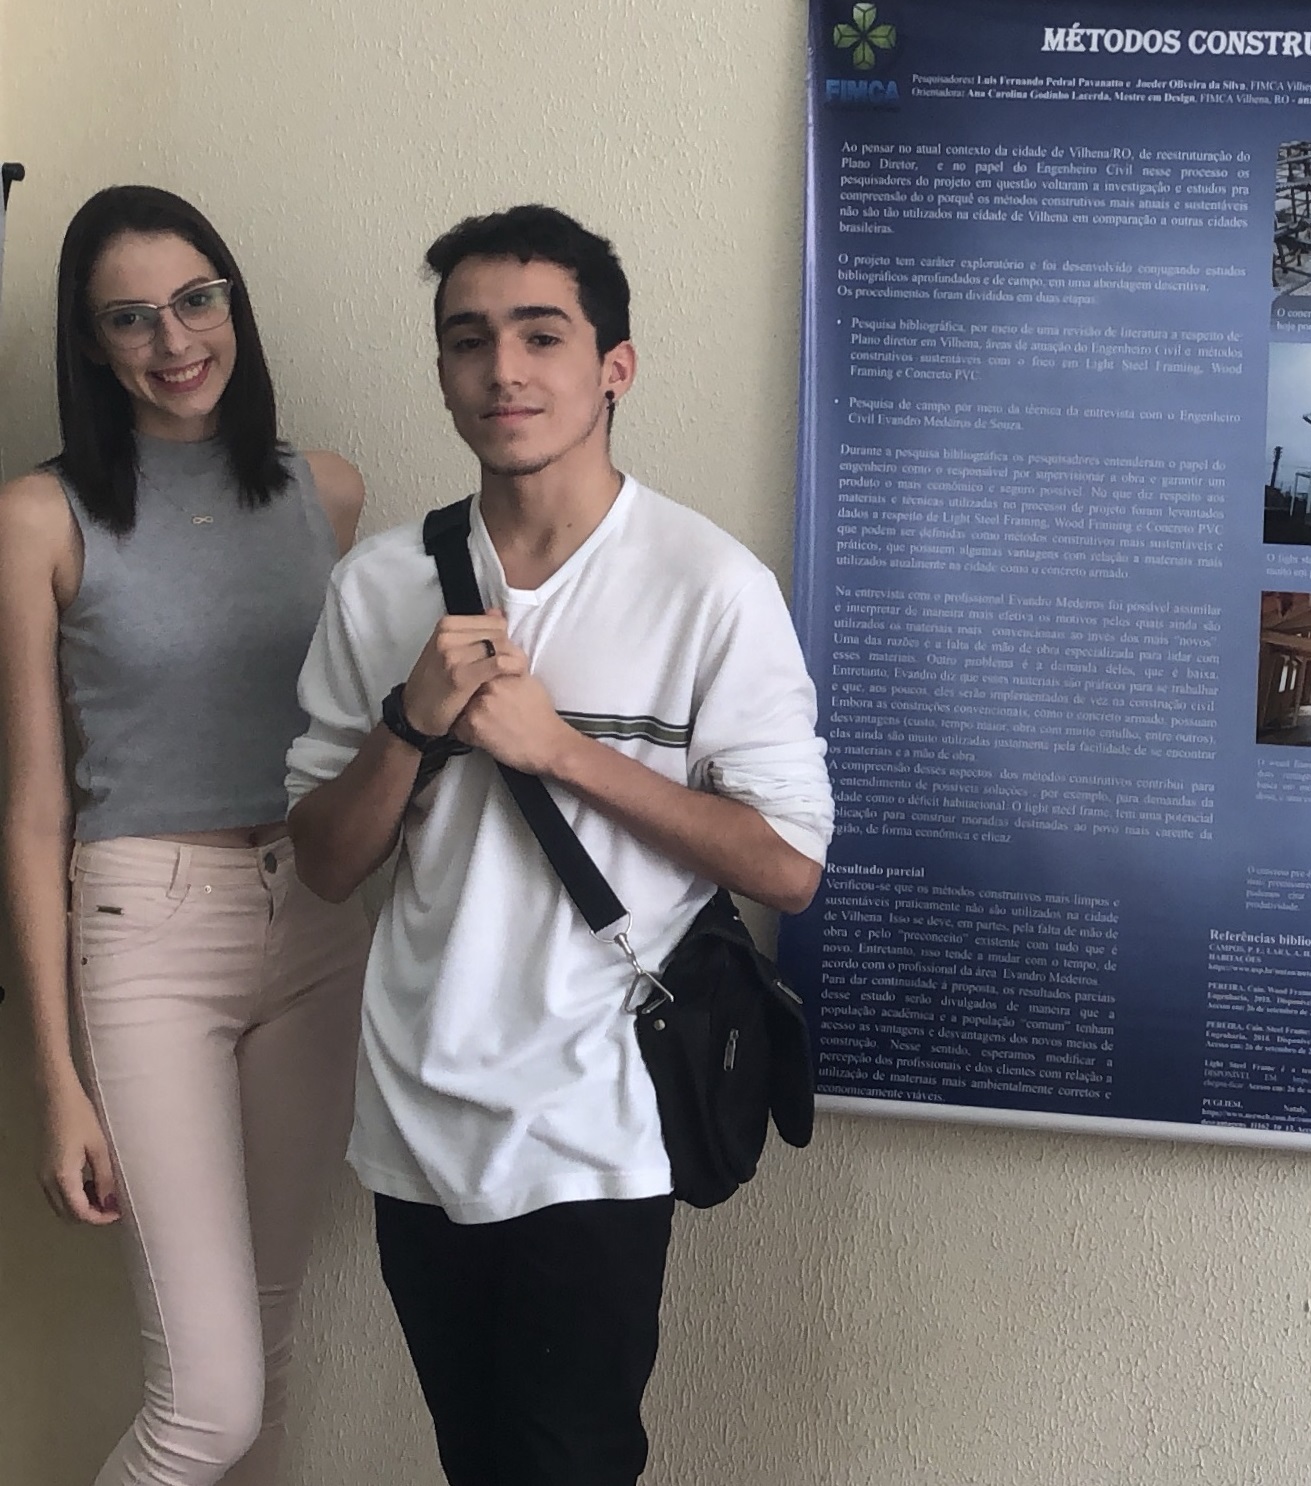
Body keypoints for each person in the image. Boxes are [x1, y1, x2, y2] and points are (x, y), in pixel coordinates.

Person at [285, 204, 833, 1486]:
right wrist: (411, 725)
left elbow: (787, 864)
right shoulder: (379, 585)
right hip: (416, 1107)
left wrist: (562, 750)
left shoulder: (708, 585)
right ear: (441, 371)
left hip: (597, 1115)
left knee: (568, 1461)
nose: (504, 370)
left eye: (542, 335)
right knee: (476, 1458)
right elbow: (323, 859)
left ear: (613, 366)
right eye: (468, 340)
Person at [0, 185, 372, 1485]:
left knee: (262, 1366)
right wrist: (56, 1078)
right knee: (205, 1407)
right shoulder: (39, 517)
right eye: (131, 317)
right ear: (90, 342)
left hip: (316, 921)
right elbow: (34, 805)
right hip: (144, 926)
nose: (174, 340)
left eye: (196, 299)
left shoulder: (327, 493)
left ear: (233, 304)